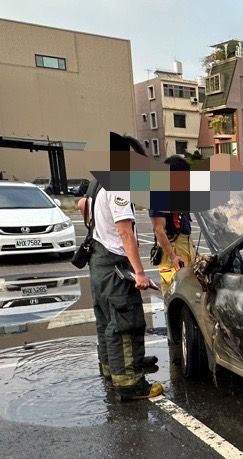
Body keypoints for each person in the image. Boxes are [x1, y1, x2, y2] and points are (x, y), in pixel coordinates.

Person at [87, 135, 163, 401]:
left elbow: (82, 206)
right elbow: (126, 234)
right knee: (125, 324)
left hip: (98, 261)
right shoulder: (119, 186)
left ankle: (113, 370)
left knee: (106, 321)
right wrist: (140, 273)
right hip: (114, 265)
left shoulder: (98, 181)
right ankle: (130, 384)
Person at [149, 155, 196, 294]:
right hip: (173, 251)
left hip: (186, 247)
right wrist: (173, 256)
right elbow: (159, 230)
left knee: (191, 292)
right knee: (175, 292)